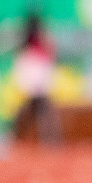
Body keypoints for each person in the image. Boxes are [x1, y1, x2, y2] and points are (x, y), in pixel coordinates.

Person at [12, 12, 61, 145]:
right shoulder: (34, 42)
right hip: (35, 80)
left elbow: (46, 59)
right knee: (39, 112)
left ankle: (47, 139)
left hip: (37, 81)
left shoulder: (36, 42)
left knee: (39, 112)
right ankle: (47, 140)